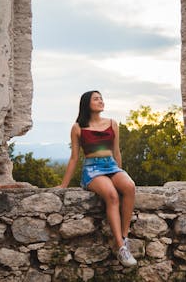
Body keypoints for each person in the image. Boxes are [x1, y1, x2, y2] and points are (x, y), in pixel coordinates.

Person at [58, 90, 137, 267]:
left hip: (111, 166)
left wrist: (120, 174)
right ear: (87, 104)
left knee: (129, 186)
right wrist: (63, 185)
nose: (101, 101)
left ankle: (124, 238)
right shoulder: (78, 127)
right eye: (96, 99)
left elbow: (117, 152)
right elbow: (74, 158)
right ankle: (120, 248)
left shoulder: (112, 124)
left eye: (101, 98)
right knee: (112, 195)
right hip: (92, 169)